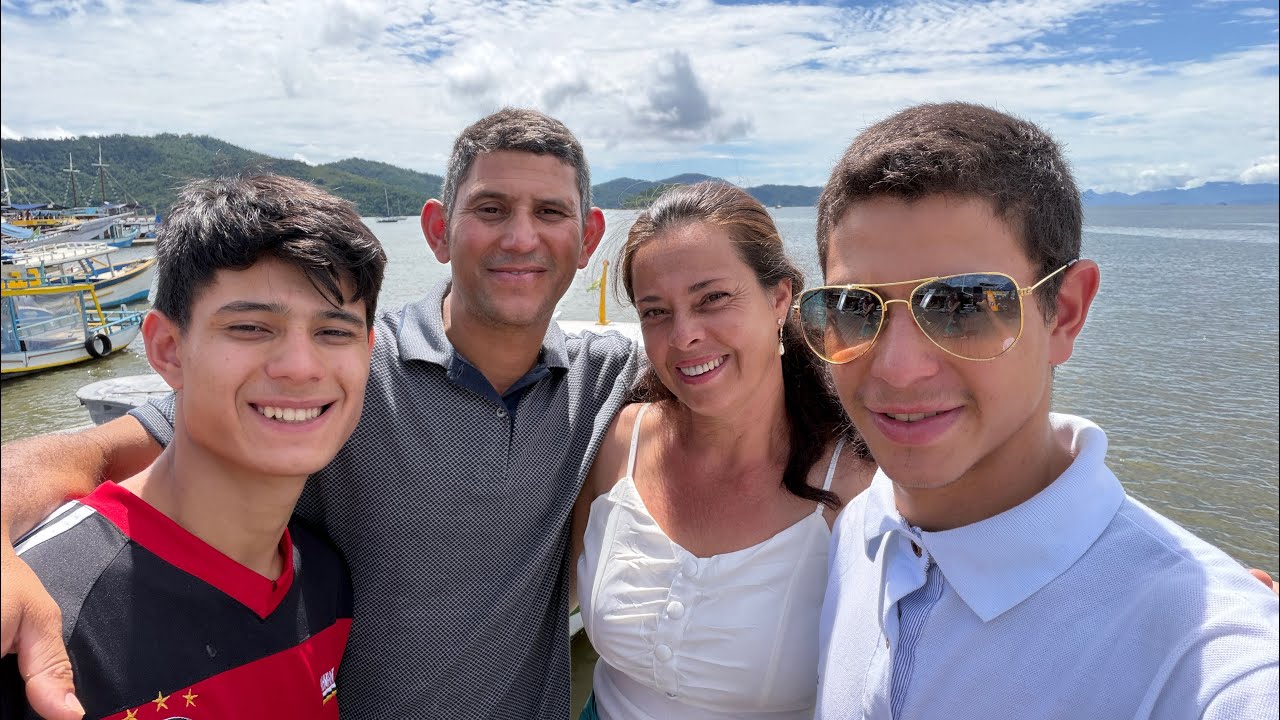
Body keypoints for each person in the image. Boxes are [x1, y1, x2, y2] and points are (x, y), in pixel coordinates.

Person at [0, 109, 642, 720]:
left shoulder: (603, 379)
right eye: (491, 208)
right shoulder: (345, 370)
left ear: (588, 238)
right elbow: (89, 453)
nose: (521, 236)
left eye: (551, 212)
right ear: (437, 230)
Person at [803, 102, 1280, 718]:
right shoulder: (864, 528)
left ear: (1067, 312)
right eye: (852, 306)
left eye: (964, 304)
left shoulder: (1208, 661)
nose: (896, 367)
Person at [0, 174, 386, 719]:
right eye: (251, 327)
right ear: (167, 349)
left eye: (334, 332)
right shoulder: (41, 613)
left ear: (368, 352)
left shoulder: (325, 585)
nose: (301, 368)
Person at [572, 181, 875, 719]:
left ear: (779, 298)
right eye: (655, 312)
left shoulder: (855, 485)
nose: (684, 335)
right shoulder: (622, 443)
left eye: (712, 298)